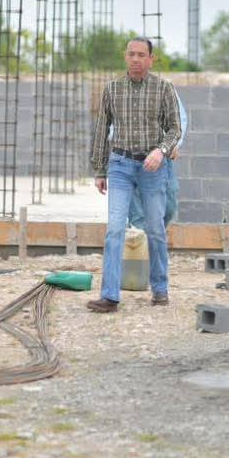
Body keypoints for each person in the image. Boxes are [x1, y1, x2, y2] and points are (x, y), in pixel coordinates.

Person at [86, 38, 181, 313]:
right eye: (131, 54)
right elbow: (101, 130)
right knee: (115, 228)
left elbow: (175, 129)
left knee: (155, 230)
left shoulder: (164, 89)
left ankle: (160, 290)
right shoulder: (112, 90)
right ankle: (110, 296)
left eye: (142, 55)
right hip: (120, 166)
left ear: (151, 59)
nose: (136, 59)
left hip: (153, 168)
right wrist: (100, 169)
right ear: (125, 57)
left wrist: (161, 151)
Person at [127, 94, 187, 228]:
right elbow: (112, 125)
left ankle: (152, 238)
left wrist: (176, 144)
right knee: (139, 216)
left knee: (169, 207)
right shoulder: (121, 90)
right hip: (133, 157)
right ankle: (143, 243)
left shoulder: (165, 89)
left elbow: (179, 118)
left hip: (162, 156)